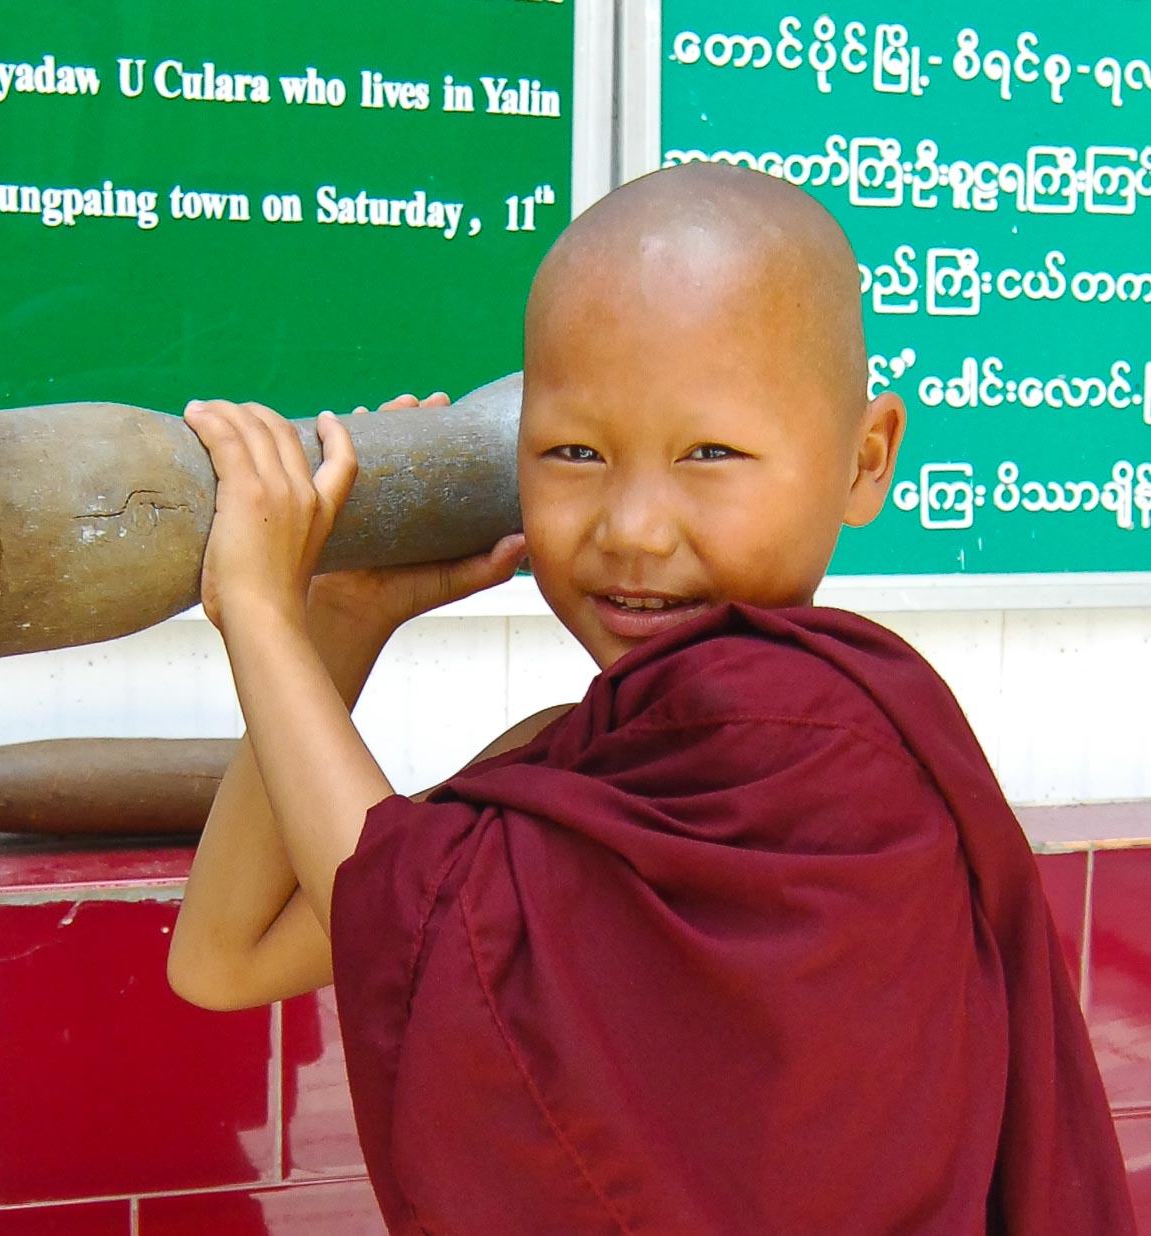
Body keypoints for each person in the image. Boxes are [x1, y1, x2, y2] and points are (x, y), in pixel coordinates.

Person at [165, 163, 1133, 1234]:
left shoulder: (815, 748)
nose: (630, 525)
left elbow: (414, 919)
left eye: (707, 453)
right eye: (572, 452)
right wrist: (338, 621)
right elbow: (225, 955)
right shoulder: (573, 764)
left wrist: (258, 613)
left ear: (864, 462)